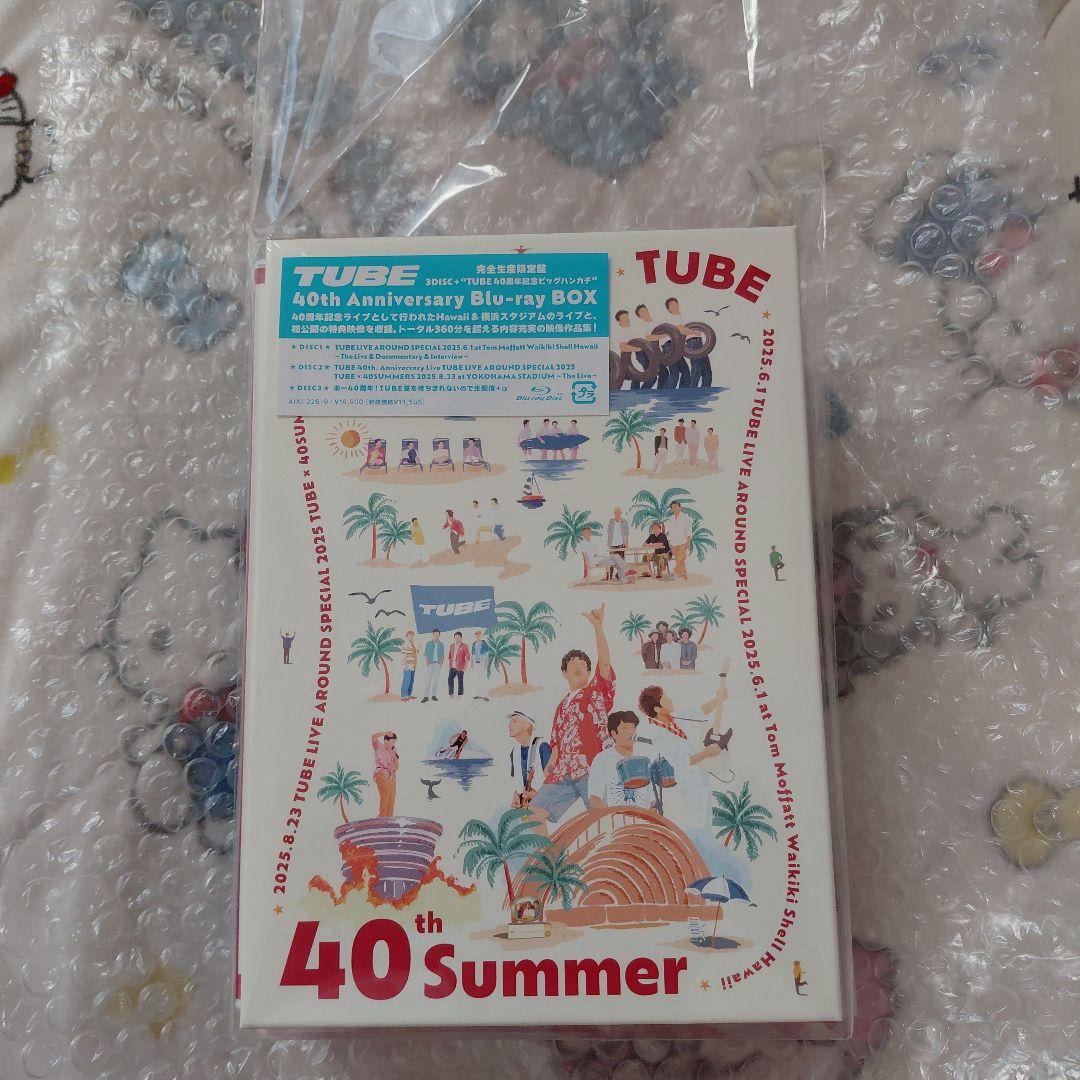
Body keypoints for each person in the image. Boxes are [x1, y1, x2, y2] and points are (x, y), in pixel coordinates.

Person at [529, 606, 615, 828]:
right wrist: (551, 764)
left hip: (592, 769)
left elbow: (605, 663)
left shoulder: (595, 693)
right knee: (533, 814)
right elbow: (557, 742)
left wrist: (598, 627)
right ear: (564, 673)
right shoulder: (561, 706)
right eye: (572, 664)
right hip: (563, 772)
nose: (578, 666)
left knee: (603, 822)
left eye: (583, 665)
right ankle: (546, 852)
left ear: (589, 672)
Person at [636, 685, 725, 817]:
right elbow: (681, 762)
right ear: (658, 709)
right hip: (689, 785)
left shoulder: (672, 719)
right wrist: (706, 753)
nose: (670, 700)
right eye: (665, 699)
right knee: (700, 818)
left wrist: (718, 699)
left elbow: (698, 711)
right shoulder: (657, 734)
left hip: (699, 777)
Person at [588, 711, 650, 808]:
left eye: (632, 728)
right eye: (625, 728)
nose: (630, 732)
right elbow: (594, 799)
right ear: (614, 734)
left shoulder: (645, 759)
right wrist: (610, 816)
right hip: (614, 817)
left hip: (643, 817)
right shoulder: (602, 759)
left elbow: (653, 799)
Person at [508, 711, 551, 809]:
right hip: (525, 805)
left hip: (544, 806)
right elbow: (516, 780)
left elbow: (554, 782)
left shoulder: (542, 746)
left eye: (514, 721)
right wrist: (516, 795)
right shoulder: (514, 752)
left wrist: (538, 796)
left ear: (528, 725)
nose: (509, 725)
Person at [372, 731, 399, 817]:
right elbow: (373, 736)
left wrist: (395, 756)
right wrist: (384, 733)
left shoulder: (392, 752)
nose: (393, 744)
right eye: (392, 742)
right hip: (381, 773)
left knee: (392, 797)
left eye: (394, 742)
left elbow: (396, 768)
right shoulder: (379, 746)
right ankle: (382, 817)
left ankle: (389, 818)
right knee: (385, 795)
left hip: (391, 776)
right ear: (386, 741)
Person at [666, 499, 692, 580]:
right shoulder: (671, 519)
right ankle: (683, 574)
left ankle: (676, 573)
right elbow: (670, 531)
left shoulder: (685, 518)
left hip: (682, 543)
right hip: (673, 543)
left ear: (680, 507)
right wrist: (669, 542)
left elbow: (689, 531)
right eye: (673, 507)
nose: (675, 509)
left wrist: (688, 542)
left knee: (680, 558)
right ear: (671, 509)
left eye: (676, 507)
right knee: (679, 560)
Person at [421, 630, 444, 702]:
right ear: (433, 635)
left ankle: (433, 696)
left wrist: (441, 663)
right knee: (428, 680)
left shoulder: (441, 644)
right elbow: (426, 653)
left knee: (435, 680)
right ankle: (426, 697)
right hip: (430, 664)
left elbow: (442, 655)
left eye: (437, 634)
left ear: (439, 635)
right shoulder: (429, 643)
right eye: (435, 634)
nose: (436, 636)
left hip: (437, 664)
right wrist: (426, 662)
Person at [447, 630, 470, 697]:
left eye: (458, 637)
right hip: (452, 667)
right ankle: (451, 694)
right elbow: (449, 656)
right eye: (456, 637)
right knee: (450, 680)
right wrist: (450, 665)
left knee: (460, 681)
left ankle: (460, 695)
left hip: (460, 667)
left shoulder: (464, 646)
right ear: (454, 638)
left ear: (461, 638)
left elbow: (468, 657)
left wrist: (465, 667)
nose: (457, 638)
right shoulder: (452, 646)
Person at [470, 630, 490, 700]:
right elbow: (472, 654)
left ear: (481, 636)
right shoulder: (474, 644)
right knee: (477, 679)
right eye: (476, 635)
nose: (478, 636)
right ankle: (478, 694)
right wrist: (472, 663)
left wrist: (486, 662)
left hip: (482, 663)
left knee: (483, 679)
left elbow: (487, 654)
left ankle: (485, 695)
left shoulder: (484, 644)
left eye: (479, 635)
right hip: (476, 663)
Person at [400, 630, 418, 700]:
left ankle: (409, 695)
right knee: (406, 681)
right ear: (407, 636)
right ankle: (403, 696)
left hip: (413, 665)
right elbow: (403, 656)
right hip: (407, 666)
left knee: (411, 681)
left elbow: (416, 653)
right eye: (409, 636)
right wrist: (405, 666)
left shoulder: (413, 644)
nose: (411, 637)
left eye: (412, 636)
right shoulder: (405, 644)